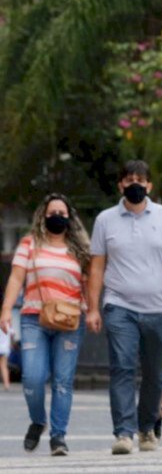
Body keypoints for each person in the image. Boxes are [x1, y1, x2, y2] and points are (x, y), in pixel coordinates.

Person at [86, 160, 162, 455]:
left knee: (155, 374)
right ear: (120, 184)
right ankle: (123, 432)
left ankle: (146, 427)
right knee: (122, 368)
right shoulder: (105, 220)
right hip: (119, 305)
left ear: (149, 186)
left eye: (140, 179)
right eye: (129, 179)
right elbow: (97, 267)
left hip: (160, 308)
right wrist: (93, 308)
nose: (134, 184)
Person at [0, 193, 91, 456]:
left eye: (63, 213)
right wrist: (6, 310)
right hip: (33, 318)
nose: (58, 217)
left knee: (63, 381)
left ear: (70, 218)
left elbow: (91, 283)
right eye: (53, 212)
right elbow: (16, 279)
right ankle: (38, 420)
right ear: (43, 215)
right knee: (33, 377)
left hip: (71, 320)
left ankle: (58, 437)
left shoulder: (80, 250)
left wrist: (94, 309)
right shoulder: (29, 244)